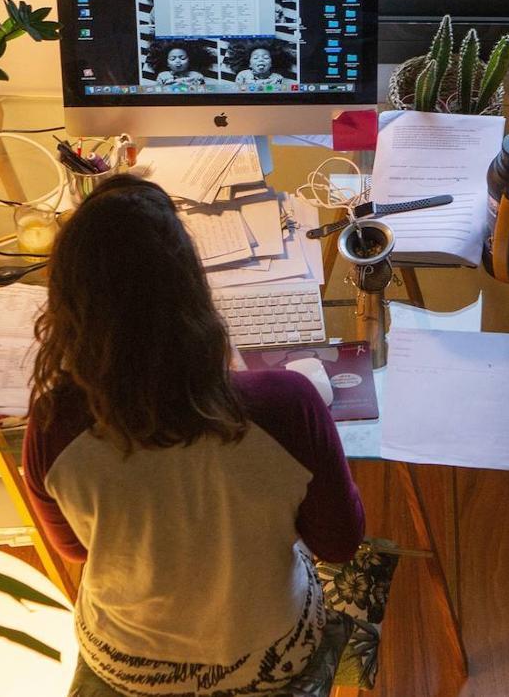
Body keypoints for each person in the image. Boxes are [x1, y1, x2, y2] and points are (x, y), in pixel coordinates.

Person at [23, 176, 365, 695]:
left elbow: (73, 550)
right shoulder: (286, 405)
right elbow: (339, 543)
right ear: (192, 291)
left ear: (69, 307)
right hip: (270, 658)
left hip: (125, 665)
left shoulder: (53, 422)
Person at [145, 40, 211, 87]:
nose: (178, 61)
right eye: (172, 59)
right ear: (167, 62)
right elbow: (157, 93)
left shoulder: (197, 76)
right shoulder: (163, 76)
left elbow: (203, 94)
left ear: (189, 60)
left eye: (182, 58)